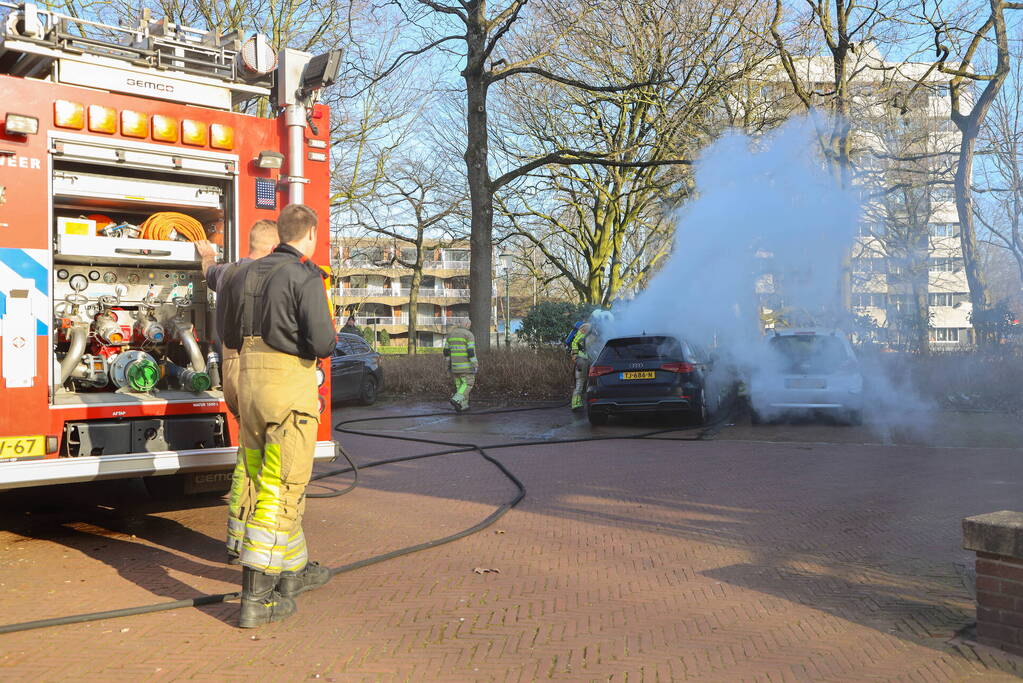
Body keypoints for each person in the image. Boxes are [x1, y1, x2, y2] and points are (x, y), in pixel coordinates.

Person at [219, 204, 337, 628]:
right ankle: (258, 598)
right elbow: (323, 342)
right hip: (288, 389)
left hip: (248, 386)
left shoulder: (240, 273)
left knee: (257, 476)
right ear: (310, 234)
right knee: (284, 487)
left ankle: (293, 573)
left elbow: (228, 335)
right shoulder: (305, 274)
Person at [196, 220, 278, 566]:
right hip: (257, 369)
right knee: (262, 457)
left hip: (230, 369)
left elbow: (209, 272)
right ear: (274, 248)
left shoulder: (227, 273)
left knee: (247, 451)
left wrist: (207, 254)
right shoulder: (273, 277)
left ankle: (235, 537)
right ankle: (253, 541)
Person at [443, 323, 477, 412]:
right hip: (466, 367)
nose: (470, 325)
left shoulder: (451, 335)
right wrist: (475, 364)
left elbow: (446, 352)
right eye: (469, 324)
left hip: (454, 367)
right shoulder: (468, 334)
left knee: (460, 386)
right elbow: (470, 351)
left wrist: (447, 366)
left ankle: (463, 406)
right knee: (468, 384)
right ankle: (456, 399)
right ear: (466, 324)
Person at [570, 322, 592, 411]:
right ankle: (575, 404)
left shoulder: (580, 335)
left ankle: (578, 403)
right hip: (582, 362)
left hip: (582, 361)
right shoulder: (583, 336)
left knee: (581, 383)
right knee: (580, 383)